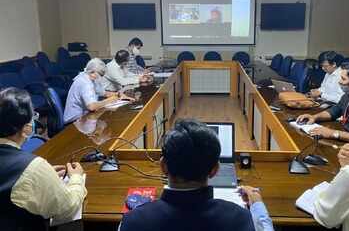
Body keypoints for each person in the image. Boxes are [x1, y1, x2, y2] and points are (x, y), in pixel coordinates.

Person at [120, 119, 274, 231]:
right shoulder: (241, 218)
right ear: (214, 170)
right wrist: (258, 206)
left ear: (163, 166)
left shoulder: (132, 222)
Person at [0, 87, 87, 231]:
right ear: (27, 128)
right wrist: (76, 178)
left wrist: (41, 176)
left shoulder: (32, 171)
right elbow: (67, 208)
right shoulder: (33, 168)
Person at [64, 58, 119, 123]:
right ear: (92, 72)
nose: (101, 77)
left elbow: (103, 93)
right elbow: (92, 106)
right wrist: (109, 100)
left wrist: (118, 94)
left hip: (83, 115)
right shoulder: (85, 83)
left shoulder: (90, 77)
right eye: (101, 74)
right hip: (75, 120)